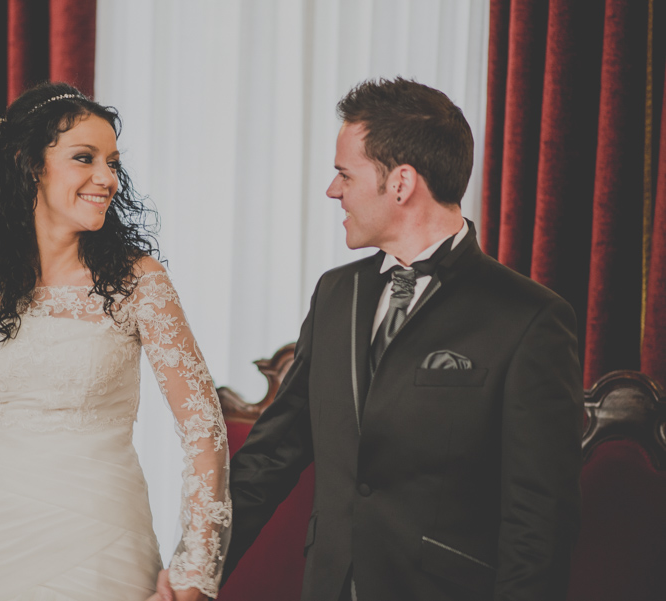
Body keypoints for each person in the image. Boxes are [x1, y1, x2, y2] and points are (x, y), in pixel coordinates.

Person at [216, 78, 584, 600]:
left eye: (345, 173)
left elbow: (539, 524)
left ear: (402, 183)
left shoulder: (530, 319)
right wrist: (195, 568)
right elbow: (270, 456)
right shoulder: (335, 294)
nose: (332, 189)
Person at [0, 82, 230, 601]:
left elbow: (203, 430)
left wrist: (195, 569)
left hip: (102, 534)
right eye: (85, 158)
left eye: (113, 162)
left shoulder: (139, 283)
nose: (108, 179)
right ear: (31, 165)